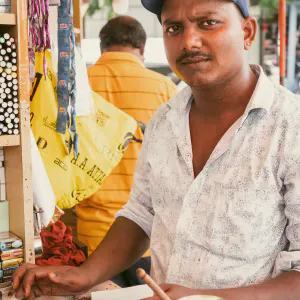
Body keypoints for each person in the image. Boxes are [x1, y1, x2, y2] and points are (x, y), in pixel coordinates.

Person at [13, 0, 300, 299]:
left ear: (247, 31)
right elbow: (142, 213)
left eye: (208, 23)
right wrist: (83, 275)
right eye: (173, 28)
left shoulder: (291, 126)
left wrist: (206, 298)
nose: (189, 41)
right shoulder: (165, 119)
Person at [75, 16, 176, 287]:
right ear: (142, 49)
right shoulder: (164, 88)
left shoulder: (77, 86)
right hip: (144, 239)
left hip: (90, 238)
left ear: (102, 47)